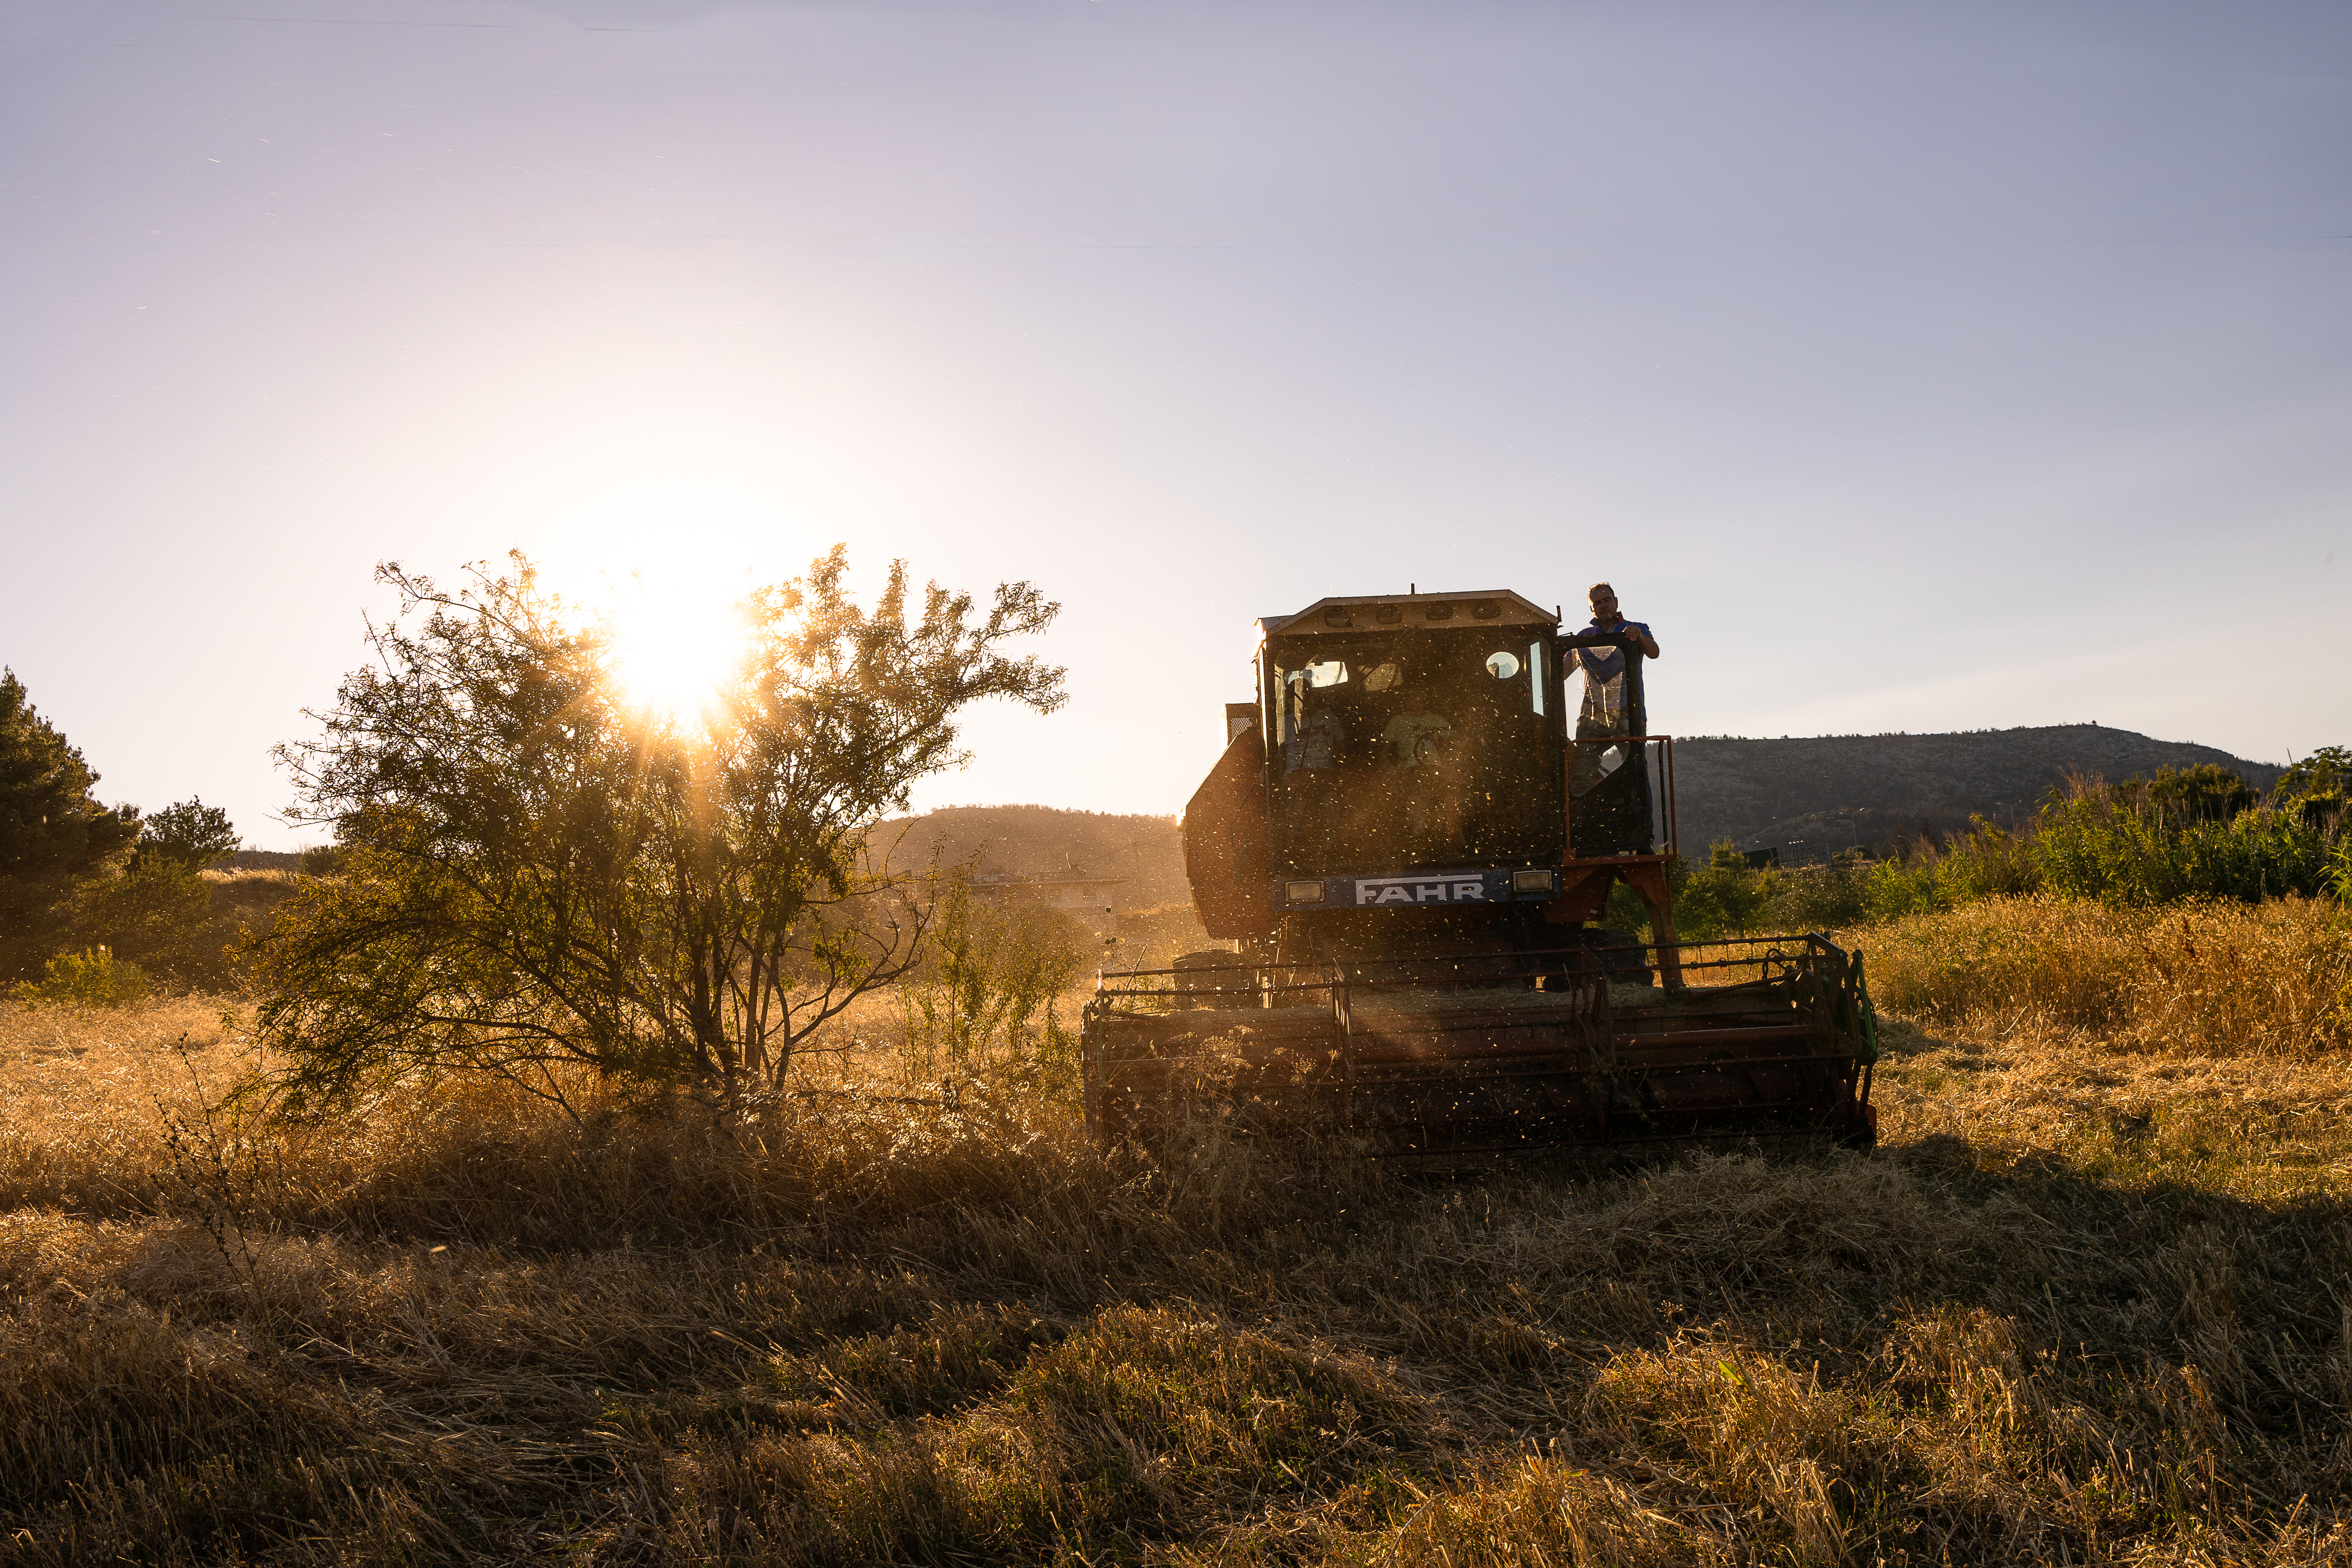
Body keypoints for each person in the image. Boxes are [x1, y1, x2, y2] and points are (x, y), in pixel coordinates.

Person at [1567, 582, 1660, 853]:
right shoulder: (1584, 638)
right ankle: (1583, 838)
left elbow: (1654, 652)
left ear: (1616, 602)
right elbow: (1560, 672)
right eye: (1598, 603)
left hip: (1627, 713)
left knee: (1637, 771)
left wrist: (1638, 637)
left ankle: (1643, 838)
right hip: (1593, 716)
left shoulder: (1635, 628)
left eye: (1607, 600)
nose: (1604, 606)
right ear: (1592, 609)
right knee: (1582, 774)